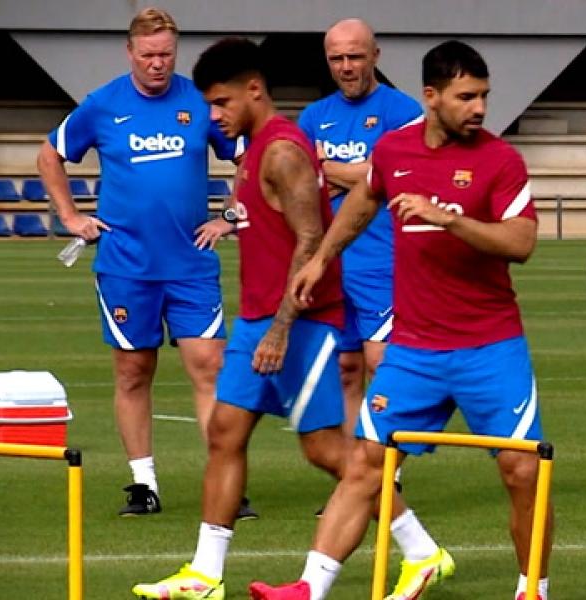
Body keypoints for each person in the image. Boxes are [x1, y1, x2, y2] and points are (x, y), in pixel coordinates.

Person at [132, 38, 440, 600]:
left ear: (255, 90)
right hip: (259, 318)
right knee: (226, 433)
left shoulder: (283, 151)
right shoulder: (253, 151)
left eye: (223, 103)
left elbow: (311, 239)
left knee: (326, 450)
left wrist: (279, 327)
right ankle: (205, 574)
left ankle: (421, 551)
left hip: (299, 321)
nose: (215, 116)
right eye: (210, 106)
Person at [250, 40, 552, 600]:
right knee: (366, 465)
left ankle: (533, 589)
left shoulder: (499, 160)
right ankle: (308, 589)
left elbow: (522, 241)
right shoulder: (394, 150)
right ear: (431, 97)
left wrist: (449, 220)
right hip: (414, 350)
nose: (479, 107)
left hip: (490, 347)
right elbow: (364, 202)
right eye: (467, 96)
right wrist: (320, 259)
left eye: (483, 95)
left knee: (522, 471)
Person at [35, 7, 253, 519]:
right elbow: (51, 155)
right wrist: (70, 215)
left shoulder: (200, 101)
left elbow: (246, 154)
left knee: (210, 366)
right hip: (126, 266)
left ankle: (225, 480)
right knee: (134, 371)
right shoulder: (102, 104)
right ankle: (143, 483)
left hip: (192, 261)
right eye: (149, 54)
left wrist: (229, 216)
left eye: (166, 54)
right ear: (130, 52)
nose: (158, 64)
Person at [297, 18, 423, 436]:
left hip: (383, 261)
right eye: (337, 59)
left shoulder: (403, 111)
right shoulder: (315, 116)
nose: (347, 66)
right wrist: (364, 172)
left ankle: (387, 475)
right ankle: (356, 476)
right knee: (346, 369)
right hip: (330, 265)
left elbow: (397, 178)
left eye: (355, 56)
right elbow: (300, 181)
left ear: (375, 56)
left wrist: (328, 168)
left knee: (381, 365)